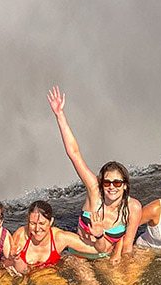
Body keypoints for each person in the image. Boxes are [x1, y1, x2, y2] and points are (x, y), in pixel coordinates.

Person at [47, 86, 142, 263]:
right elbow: (74, 154)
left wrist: (123, 266)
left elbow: (128, 245)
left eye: (117, 183)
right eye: (107, 183)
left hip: (107, 258)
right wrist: (60, 115)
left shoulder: (133, 208)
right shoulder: (94, 191)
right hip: (79, 256)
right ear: (101, 183)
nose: (111, 187)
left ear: (125, 185)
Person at [9, 200, 100, 273]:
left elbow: (96, 249)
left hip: (51, 274)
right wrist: (15, 259)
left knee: (80, 262)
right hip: (27, 276)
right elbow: (16, 267)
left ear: (51, 222)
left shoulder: (60, 238)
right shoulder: (21, 235)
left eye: (42, 223)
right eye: (32, 223)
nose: (37, 229)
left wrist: (99, 236)